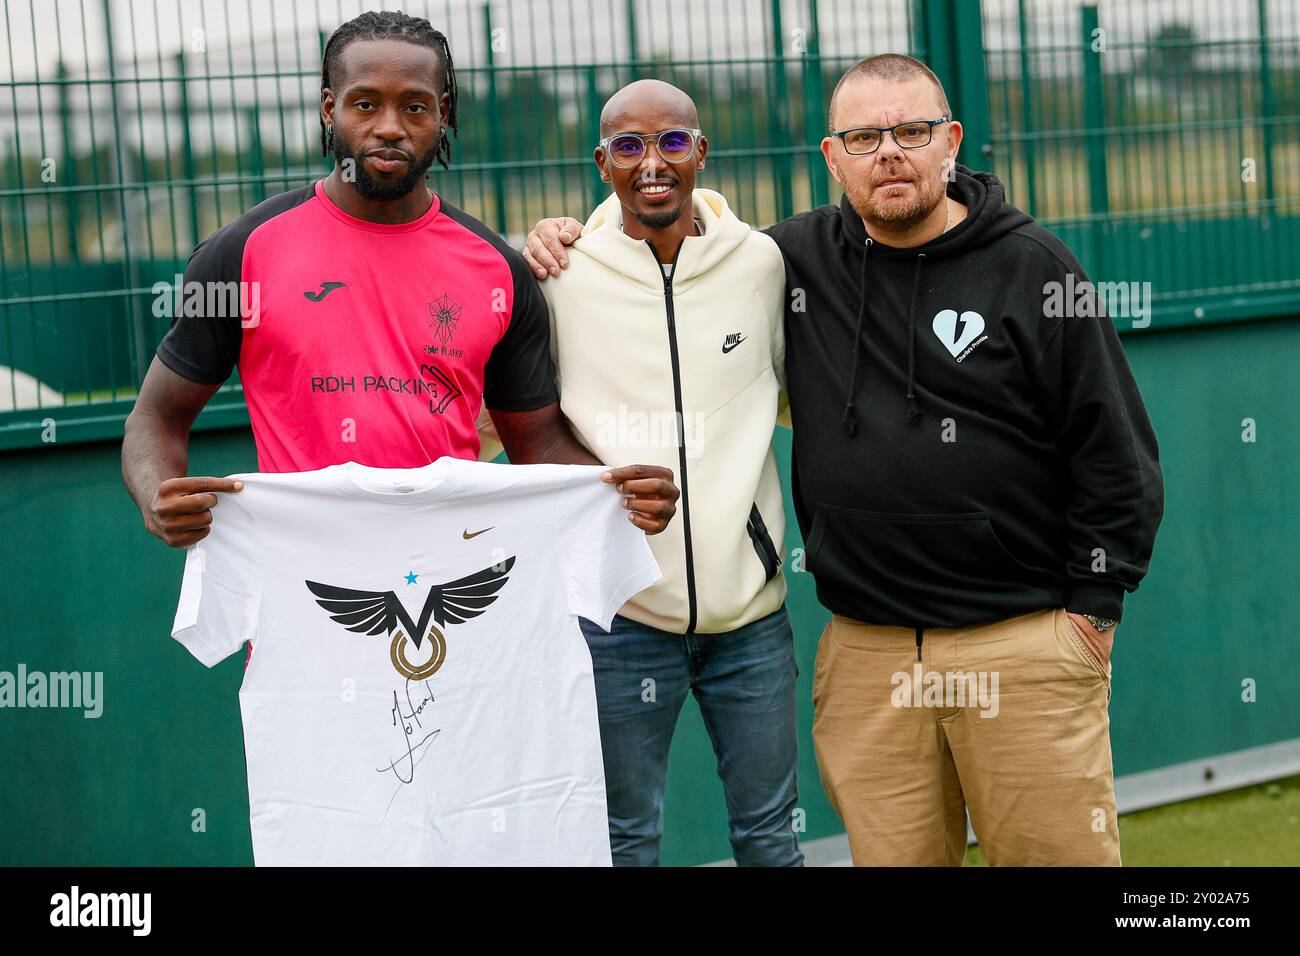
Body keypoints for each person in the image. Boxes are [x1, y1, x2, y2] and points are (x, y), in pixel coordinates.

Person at [523, 53, 1163, 866]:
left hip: (1021, 641)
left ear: (951, 142)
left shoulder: (1034, 267)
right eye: (864, 136)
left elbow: (1116, 448)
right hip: (869, 652)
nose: (889, 152)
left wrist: (1094, 611)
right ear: (832, 157)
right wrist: (561, 233)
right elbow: (677, 243)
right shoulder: (789, 261)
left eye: (912, 130)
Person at [122, 9, 678, 568]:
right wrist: (156, 494)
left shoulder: (498, 270)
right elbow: (155, 419)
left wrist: (617, 488)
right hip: (300, 584)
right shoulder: (240, 254)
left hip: (456, 577)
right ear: (328, 109)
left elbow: (538, 445)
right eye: (365, 104)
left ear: (443, 116)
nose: (390, 126)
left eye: (414, 106)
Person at [536, 79, 801, 866]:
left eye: (672, 142)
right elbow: (516, 422)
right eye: (629, 146)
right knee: (622, 843)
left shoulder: (759, 264)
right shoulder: (558, 274)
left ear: (701, 153)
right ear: (603, 163)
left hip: (749, 619)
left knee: (771, 836)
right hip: (618, 619)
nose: (652, 163)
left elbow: (794, 398)